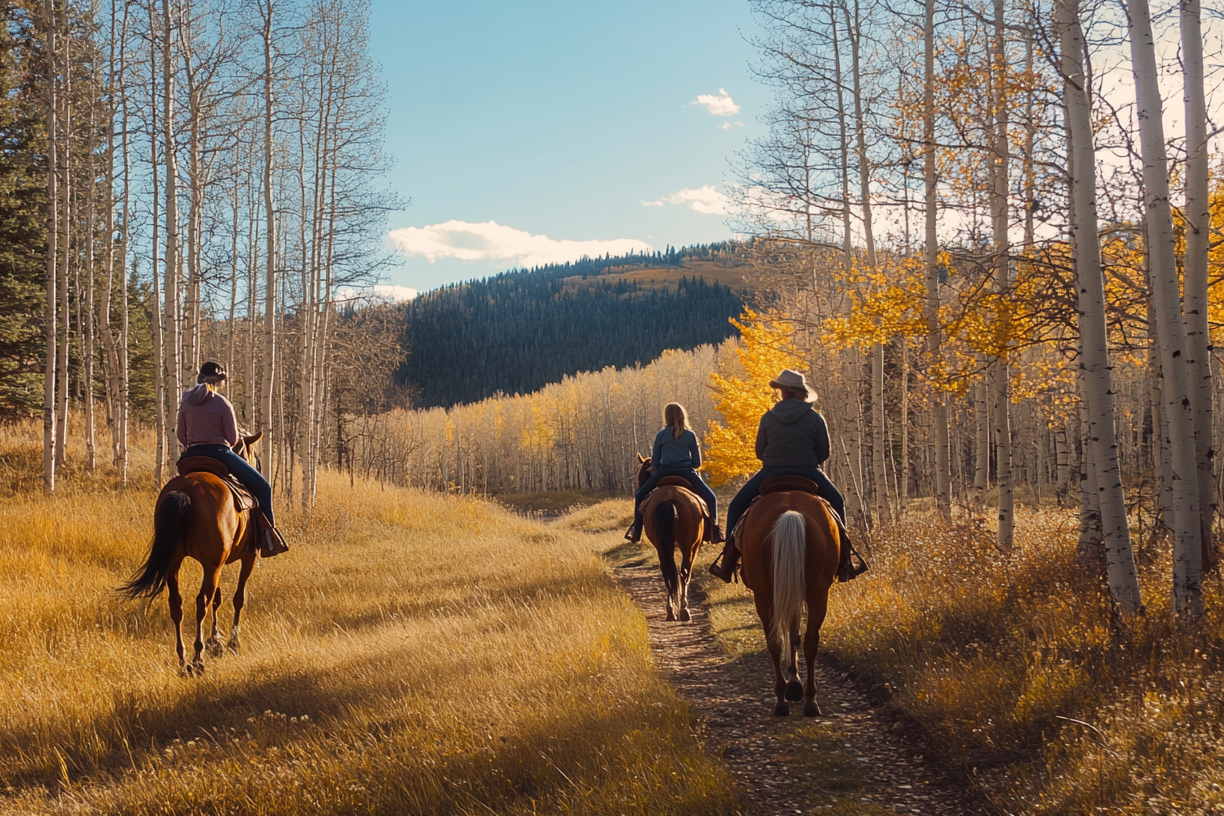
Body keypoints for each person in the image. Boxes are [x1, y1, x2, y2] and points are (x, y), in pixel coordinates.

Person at [709, 368, 863, 583]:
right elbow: (824, 453)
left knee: (736, 506)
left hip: (771, 471)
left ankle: (727, 563)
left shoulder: (768, 417)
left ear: (783, 392)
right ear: (801, 392)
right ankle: (845, 562)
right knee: (837, 501)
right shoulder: (815, 418)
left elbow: (759, 452)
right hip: (809, 471)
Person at [176, 361, 289, 557]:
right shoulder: (222, 403)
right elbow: (233, 438)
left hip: (191, 455)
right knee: (263, 488)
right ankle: (269, 539)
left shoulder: (185, 401)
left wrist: (193, 443)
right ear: (219, 382)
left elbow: (180, 434)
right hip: (219, 453)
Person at [625, 402, 724, 544]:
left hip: (664, 472)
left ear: (666, 417)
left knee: (640, 495)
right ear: (682, 415)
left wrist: (656, 467)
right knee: (711, 497)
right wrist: (684, 463)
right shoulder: (690, 435)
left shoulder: (661, 435)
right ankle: (714, 531)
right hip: (687, 473)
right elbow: (697, 464)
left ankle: (637, 530)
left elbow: (655, 463)